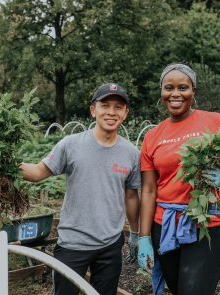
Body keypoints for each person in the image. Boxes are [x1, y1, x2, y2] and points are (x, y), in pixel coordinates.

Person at [137, 64, 220, 295]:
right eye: (169, 87)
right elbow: (148, 190)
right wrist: (144, 237)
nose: (175, 94)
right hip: (165, 226)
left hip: (207, 223)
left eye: (183, 87)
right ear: (161, 92)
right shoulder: (153, 136)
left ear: (193, 91)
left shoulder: (216, 121)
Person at [20, 83, 141, 295]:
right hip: (73, 243)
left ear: (125, 113)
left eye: (118, 107)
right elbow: (38, 172)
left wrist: (136, 233)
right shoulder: (71, 144)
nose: (111, 112)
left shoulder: (131, 153)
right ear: (93, 110)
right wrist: (5, 165)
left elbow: (131, 195)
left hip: (110, 244)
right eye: (105, 105)